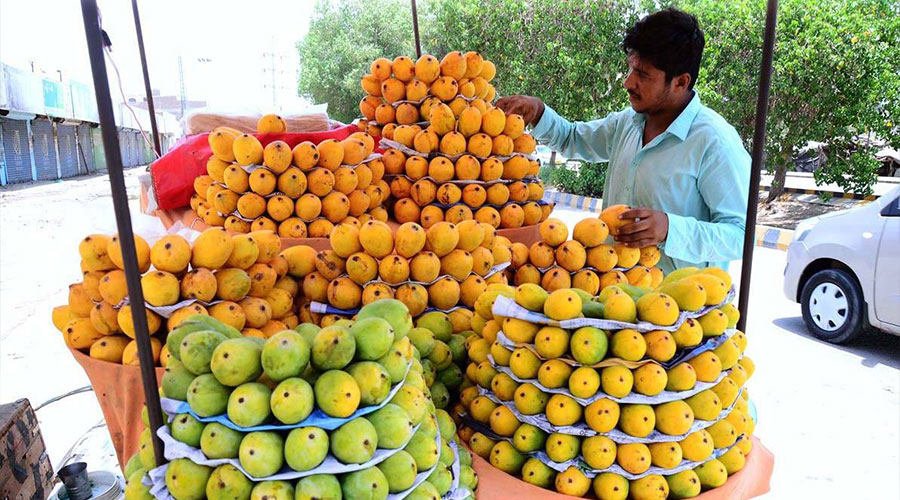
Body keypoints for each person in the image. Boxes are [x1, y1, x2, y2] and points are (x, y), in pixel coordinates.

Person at [497, 8, 750, 274]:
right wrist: (537, 112)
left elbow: (740, 235)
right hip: (614, 295)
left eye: (643, 75)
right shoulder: (627, 123)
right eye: (630, 69)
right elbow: (572, 138)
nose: (628, 82)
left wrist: (670, 229)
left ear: (680, 82)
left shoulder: (714, 141)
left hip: (677, 308)